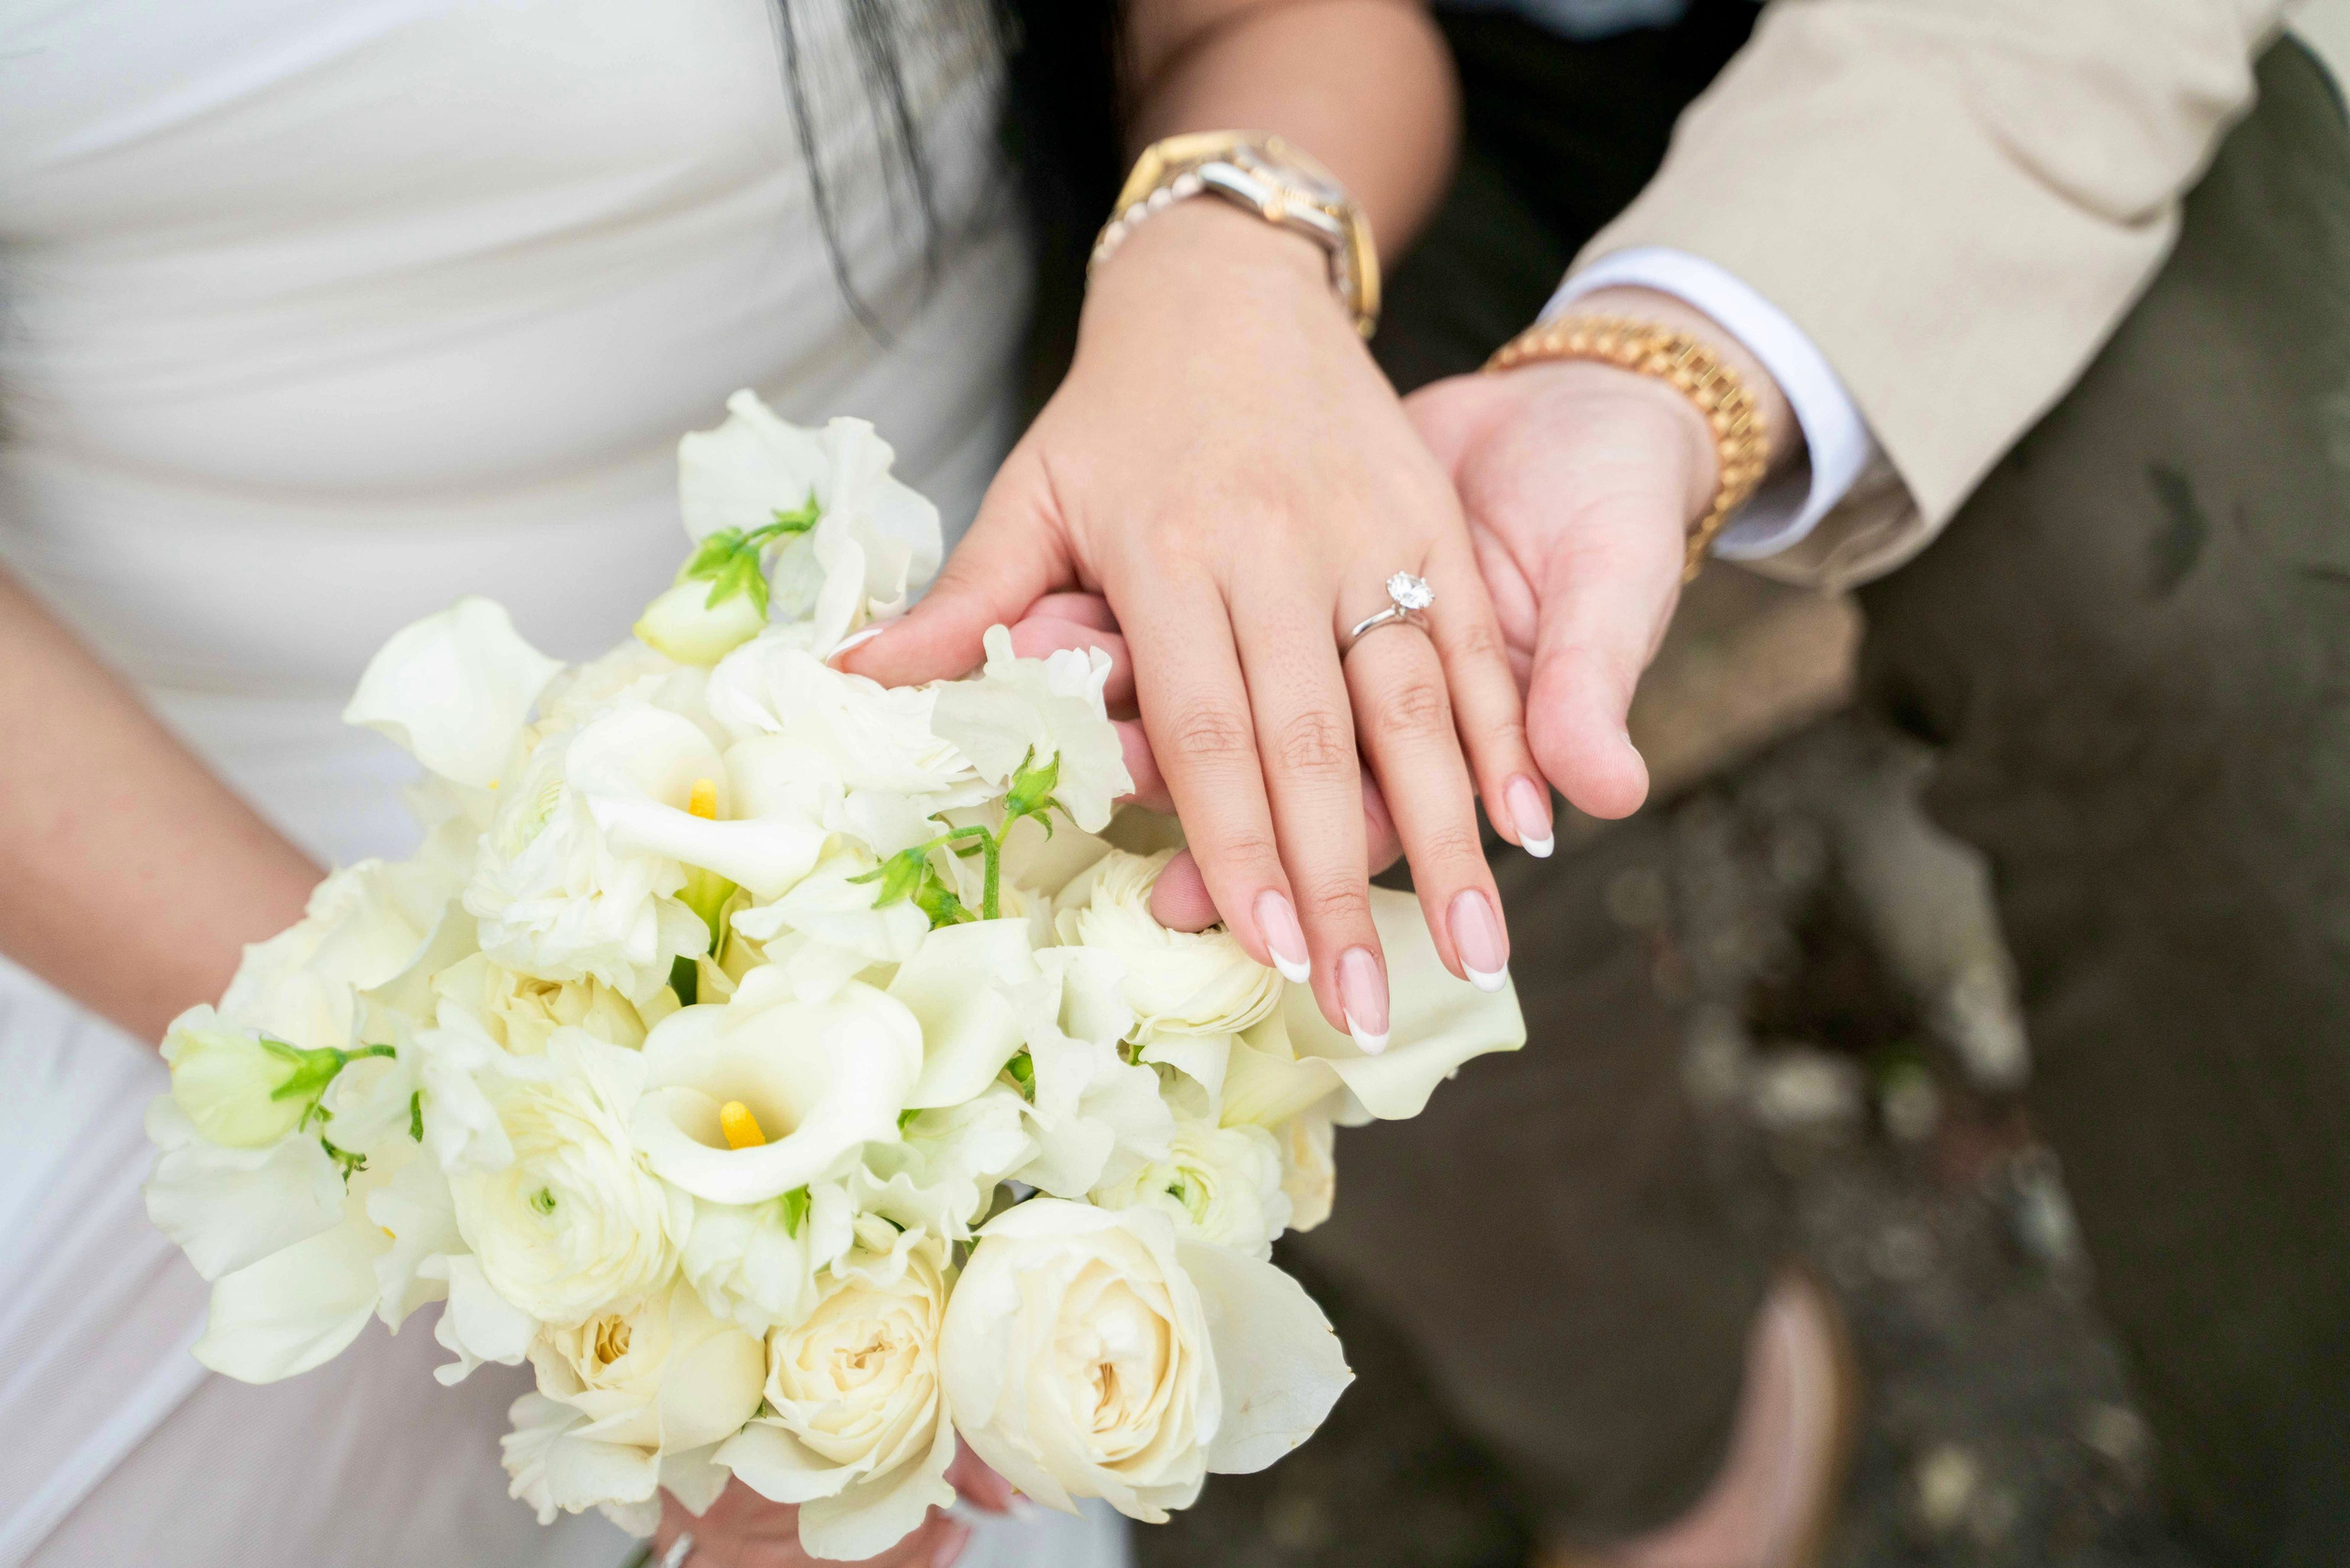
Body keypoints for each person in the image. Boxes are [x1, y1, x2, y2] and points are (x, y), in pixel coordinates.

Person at [0, 3, 1517, 1564]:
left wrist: (1226, 267)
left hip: (897, 724)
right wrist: (439, 1106)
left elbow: (1286, 20)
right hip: (140, 868)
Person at [1024, 0, 2350, 1562]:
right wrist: (1226, 261)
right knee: (1258, 797)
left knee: (2212, 627)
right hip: (1250, 114)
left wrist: (1675, 372)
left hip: (2001, 49)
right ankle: (1666, 1422)